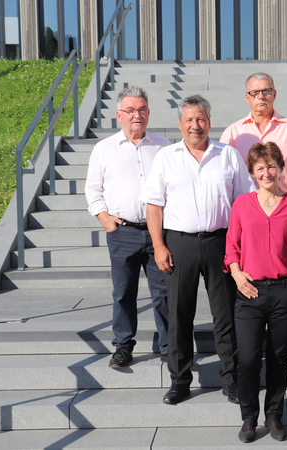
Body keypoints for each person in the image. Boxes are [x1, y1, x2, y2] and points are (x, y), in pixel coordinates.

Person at [142, 95, 254, 405]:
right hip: (179, 243)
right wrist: (159, 246)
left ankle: (230, 379)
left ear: (209, 121)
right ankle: (180, 380)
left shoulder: (228, 155)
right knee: (179, 314)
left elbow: (245, 204)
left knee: (226, 315)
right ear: (180, 124)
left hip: (221, 242)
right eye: (189, 120)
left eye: (201, 119)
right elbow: (154, 206)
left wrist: (241, 248)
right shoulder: (166, 157)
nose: (196, 125)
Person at [225, 142, 287, 443]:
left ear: (281, 169)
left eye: (271, 166)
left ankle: (274, 415)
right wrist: (237, 274)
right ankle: (249, 417)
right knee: (249, 359)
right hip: (249, 292)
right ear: (252, 172)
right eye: (260, 168)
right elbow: (231, 249)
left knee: (277, 357)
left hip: (285, 292)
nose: (266, 172)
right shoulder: (241, 204)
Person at [220, 71, 287, 367]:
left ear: (274, 93)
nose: (261, 97)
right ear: (247, 97)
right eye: (255, 93)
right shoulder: (233, 133)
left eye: (266, 91)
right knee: (248, 290)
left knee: (286, 285)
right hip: (246, 221)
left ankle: (284, 343)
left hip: (283, 216)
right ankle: (250, 348)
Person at [84, 86, 170, 368]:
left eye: (142, 109)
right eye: (131, 110)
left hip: (159, 233)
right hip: (124, 233)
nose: (137, 115)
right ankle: (123, 346)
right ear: (119, 115)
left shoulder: (163, 146)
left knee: (164, 292)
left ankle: (170, 346)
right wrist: (103, 217)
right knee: (123, 293)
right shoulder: (104, 149)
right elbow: (92, 189)